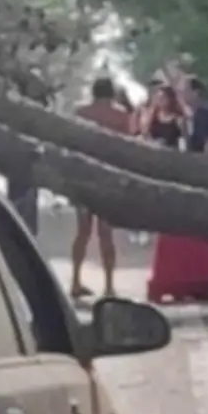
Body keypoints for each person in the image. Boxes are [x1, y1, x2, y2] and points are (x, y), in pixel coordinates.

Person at [70, 77, 132, 298]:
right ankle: (108, 286)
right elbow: (127, 146)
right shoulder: (121, 115)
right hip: (107, 177)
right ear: (112, 92)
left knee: (82, 232)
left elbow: (74, 144)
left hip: (83, 176)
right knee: (106, 234)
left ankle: (75, 280)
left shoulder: (80, 112)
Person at [182, 76, 208, 157]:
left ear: (196, 93)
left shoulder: (207, 115)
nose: (183, 93)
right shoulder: (193, 115)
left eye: (186, 90)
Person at [140, 84, 184, 149]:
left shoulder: (178, 120)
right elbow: (145, 134)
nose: (160, 100)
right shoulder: (152, 116)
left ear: (170, 99)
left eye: (163, 97)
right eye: (158, 97)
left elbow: (184, 142)